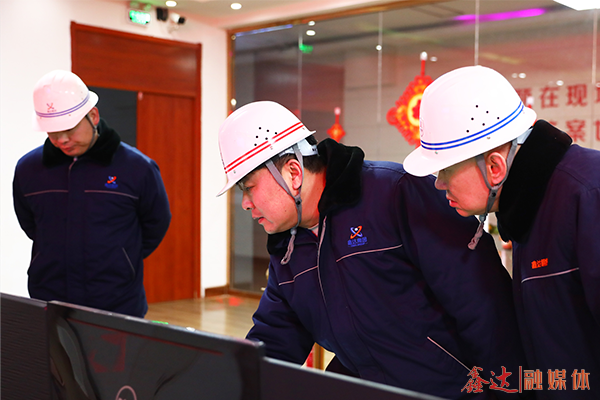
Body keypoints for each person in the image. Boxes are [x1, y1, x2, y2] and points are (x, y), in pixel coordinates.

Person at [217, 101, 529, 399]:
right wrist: (232, 386)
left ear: (293, 173)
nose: (246, 203)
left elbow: (484, 305)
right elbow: (276, 337)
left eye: (249, 188)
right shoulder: (287, 246)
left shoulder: (395, 194)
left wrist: (508, 393)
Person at [404, 65, 600, 399]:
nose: (439, 184)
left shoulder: (588, 195)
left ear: (494, 167)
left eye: (445, 170)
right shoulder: (527, 208)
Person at [13, 70, 171, 318]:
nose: (62, 140)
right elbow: (30, 224)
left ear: (93, 116)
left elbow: (156, 223)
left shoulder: (137, 168)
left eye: (70, 129)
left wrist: (120, 256)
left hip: (117, 302)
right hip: (49, 299)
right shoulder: (29, 169)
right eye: (53, 132)